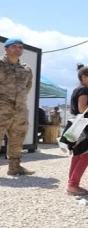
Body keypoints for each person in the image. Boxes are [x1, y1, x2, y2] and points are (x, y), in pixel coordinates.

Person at [60, 63, 88, 195]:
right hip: (82, 126)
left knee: (78, 156)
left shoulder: (79, 89)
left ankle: (72, 184)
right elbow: (83, 109)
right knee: (85, 156)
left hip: (76, 125)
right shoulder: (84, 90)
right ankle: (73, 185)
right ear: (84, 76)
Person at [0, 38, 34, 175]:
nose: (17, 49)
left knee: (18, 138)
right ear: (6, 49)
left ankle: (14, 168)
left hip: (20, 110)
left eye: (20, 47)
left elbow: (28, 87)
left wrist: (19, 102)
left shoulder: (26, 69)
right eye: (14, 46)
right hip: (1, 107)